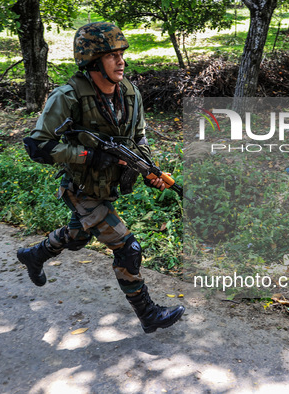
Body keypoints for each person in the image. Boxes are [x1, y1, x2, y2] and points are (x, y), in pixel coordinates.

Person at [17, 22, 185, 334]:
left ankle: (33, 255)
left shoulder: (130, 94)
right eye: (112, 56)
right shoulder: (66, 98)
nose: (121, 61)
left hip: (107, 187)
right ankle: (149, 315)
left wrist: (149, 170)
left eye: (122, 53)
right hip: (81, 189)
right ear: (93, 62)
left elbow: (139, 139)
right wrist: (89, 155)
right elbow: (37, 146)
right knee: (127, 248)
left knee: (78, 236)